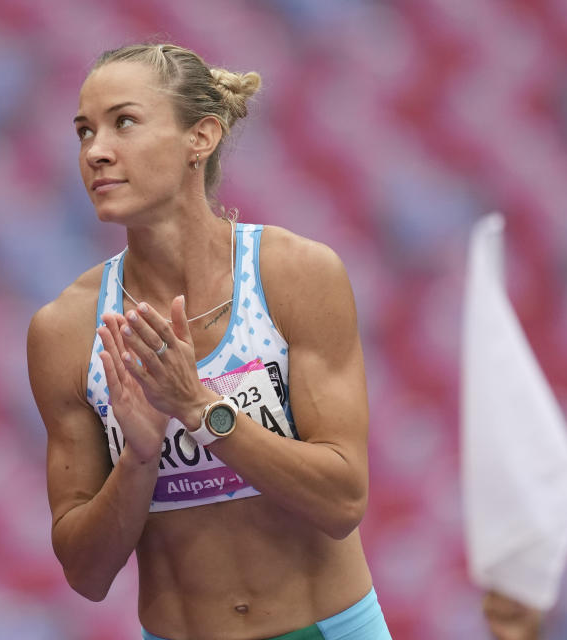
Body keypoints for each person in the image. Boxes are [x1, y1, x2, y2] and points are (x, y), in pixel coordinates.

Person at [27, 43, 391, 640]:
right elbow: (85, 573)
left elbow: (342, 500)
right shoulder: (66, 331)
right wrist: (139, 459)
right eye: (84, 132)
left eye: (124, 122)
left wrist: (200, 411)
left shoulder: (294, 275)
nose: (96, 151)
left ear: (201, 138)